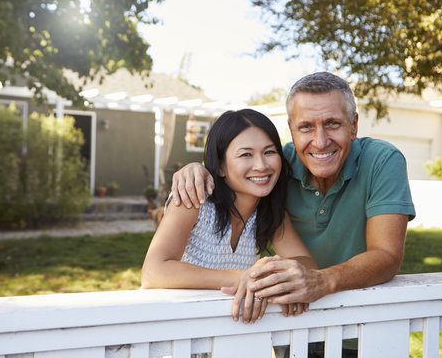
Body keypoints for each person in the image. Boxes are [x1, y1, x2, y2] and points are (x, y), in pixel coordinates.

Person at [170, 72, 416, 356]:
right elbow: (236, 165)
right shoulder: (276, 166)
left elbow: (386, 256)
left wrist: (321, 281)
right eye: (306, 127)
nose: (320, 141)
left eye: (333, 124)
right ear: (291, 129)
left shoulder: (382, 160)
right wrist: (197, 169)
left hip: (364, 330)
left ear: (354, 125)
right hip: (295, 324)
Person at [141, 108, 317, 324]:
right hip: (175, 327)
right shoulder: (195, 199)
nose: (261, 165)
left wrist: (270, 274)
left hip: (229, 331)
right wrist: (248, 278)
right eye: (246, 154)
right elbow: (153, 272)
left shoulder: (270, 211)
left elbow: (308, 264)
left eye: (269, 152)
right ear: (221, 166)